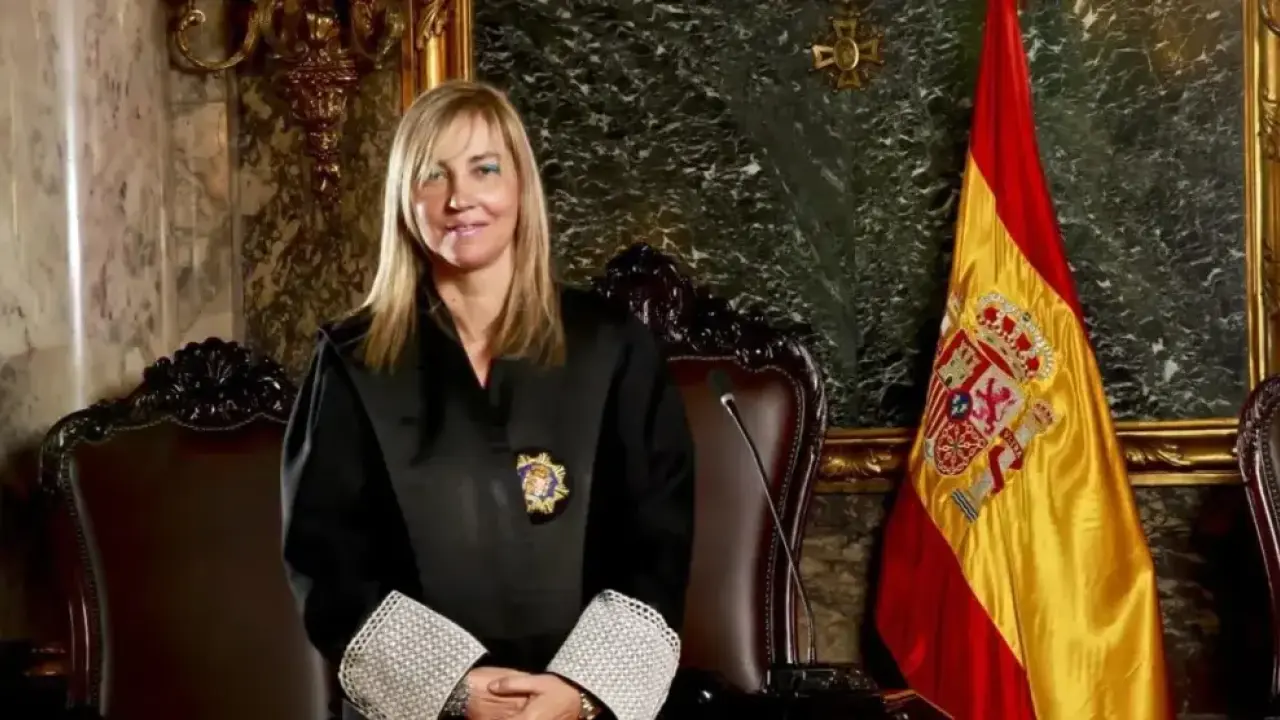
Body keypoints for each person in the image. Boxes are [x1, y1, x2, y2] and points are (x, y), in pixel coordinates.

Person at [280, 79, 697, 720]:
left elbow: (658, 539)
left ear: (520, 186)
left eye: (485, 169)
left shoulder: (612, 346)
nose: (459, 199)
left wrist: (577, 692)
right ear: (404, 200)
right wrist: (457, 690)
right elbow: (326, 558)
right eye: (433, 175)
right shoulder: (351, 361)